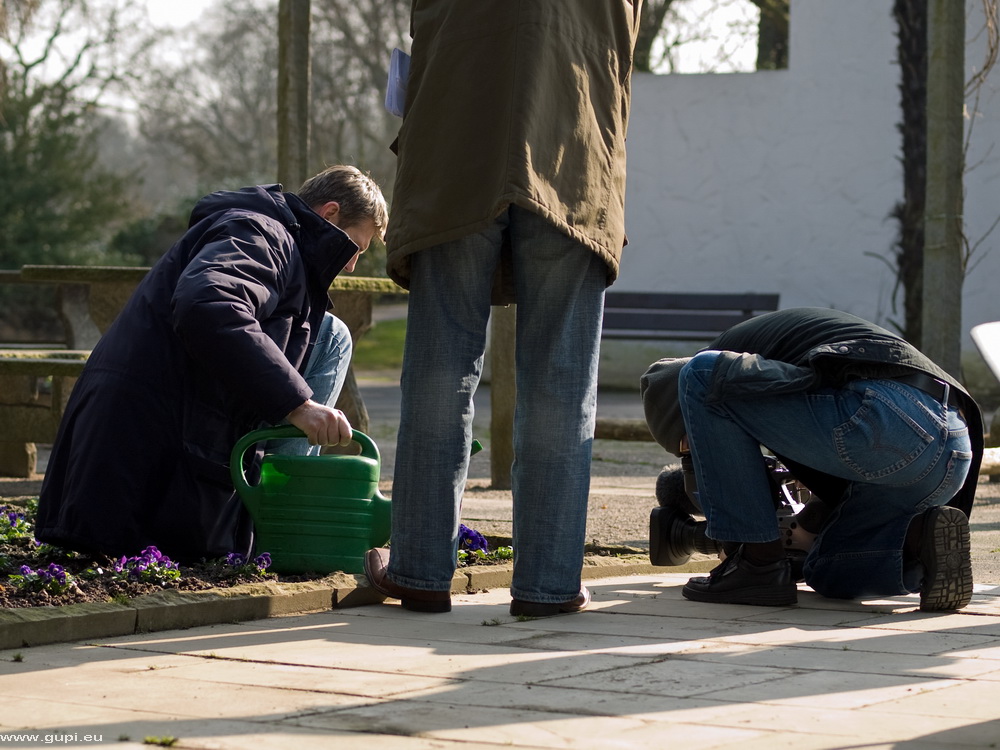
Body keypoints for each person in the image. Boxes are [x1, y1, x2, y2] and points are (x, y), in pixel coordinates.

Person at [364, 1, 643, 615]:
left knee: (441, 373)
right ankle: (547, 583)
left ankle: (419, 569)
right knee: (561, 387)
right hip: (572, 160)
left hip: (455, 157)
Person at [36, 165, 388, 562]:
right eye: (355, 248)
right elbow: (208, 306)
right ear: (329, 214)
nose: (351, 265)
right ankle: (282, 514)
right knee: (330, 337)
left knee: (332, 333)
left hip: (153, 436)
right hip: (141, 458)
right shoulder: (260, 233)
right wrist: (299, 406)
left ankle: (282, 506)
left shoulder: (269, 238)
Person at [640, 307, 984, 611]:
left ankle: (757, 568)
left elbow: (807, 381)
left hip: (890, 418)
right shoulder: (767, 356)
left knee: (702, 374)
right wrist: (810, 527)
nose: (700, 451)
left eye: (691, 445)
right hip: (952, 444)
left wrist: (745, 543)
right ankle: (921, 543)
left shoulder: (729, 357)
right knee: (829, 568)